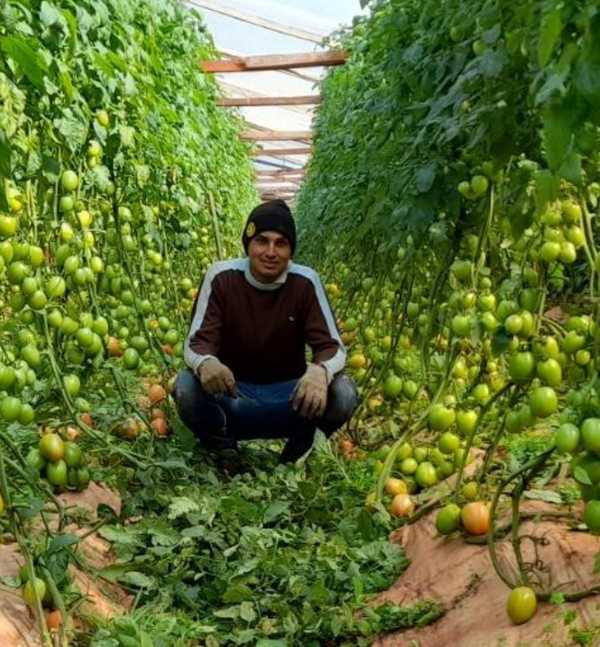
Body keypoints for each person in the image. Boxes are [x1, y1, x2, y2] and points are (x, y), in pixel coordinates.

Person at [173, 199, 358, 467]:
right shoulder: (222, 277)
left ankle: (297, 454)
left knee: (343, 392)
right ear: (248, 244)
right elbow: (197, 342)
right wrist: (206, 362)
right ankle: (223, 449)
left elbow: (332, 346)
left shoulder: (305, 282)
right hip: (233, 396)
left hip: (292, 400)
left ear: (291, 250)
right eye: (262, 241)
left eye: (281, 243)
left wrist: (320, 371)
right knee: (187, 387)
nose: (270, 252)